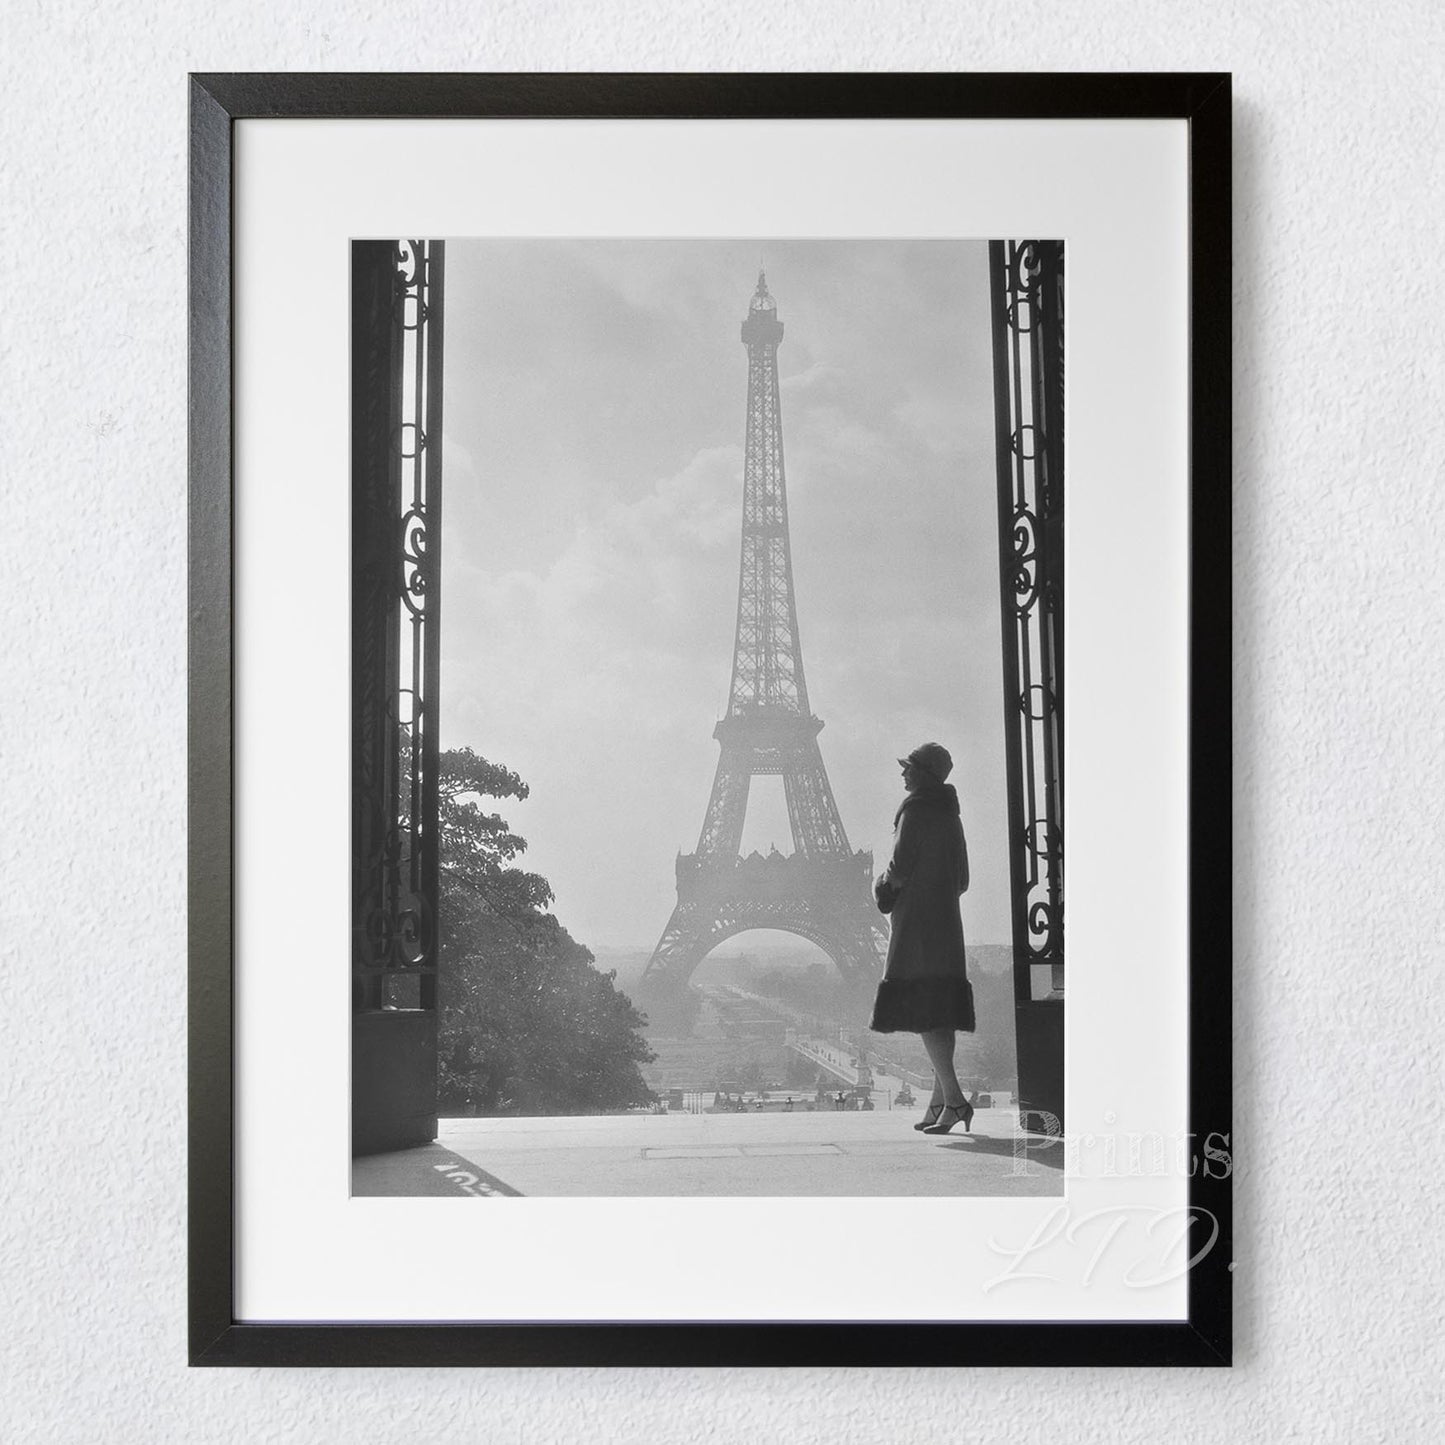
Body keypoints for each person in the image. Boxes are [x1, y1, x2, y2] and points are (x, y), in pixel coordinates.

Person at [870, 742, 977, 1136]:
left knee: (923, 1011)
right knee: (940, 1010)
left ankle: (955, 1099)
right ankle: (939, 1103)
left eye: (909, 768)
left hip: (917, 922)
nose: (903, 774)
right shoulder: (952, 815)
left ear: (923, 774)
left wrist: (883, 888)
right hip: (946, 920)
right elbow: (963, 879)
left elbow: (899, 867)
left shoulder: (915, 810)